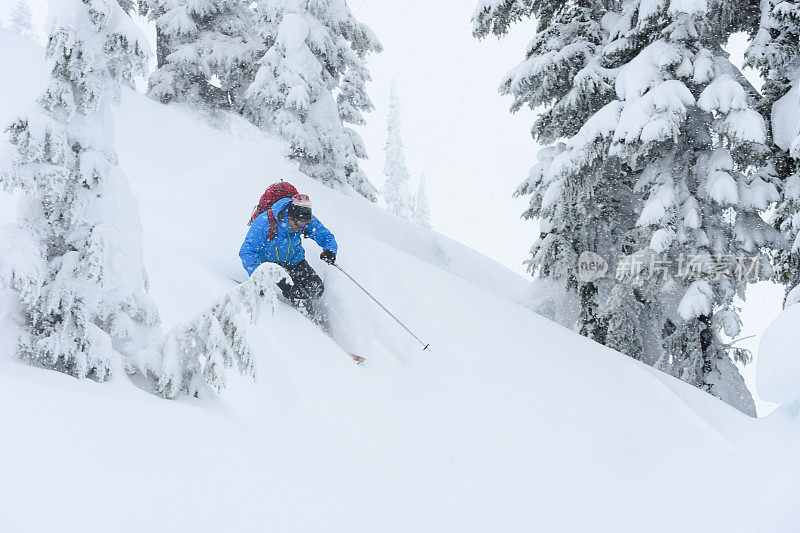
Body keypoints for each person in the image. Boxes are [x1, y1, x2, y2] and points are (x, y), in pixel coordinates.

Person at [239, 193, 337, 316]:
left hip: (296, 261)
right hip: (275, 267)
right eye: (300, 225)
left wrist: (330, 250)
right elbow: (247, 251)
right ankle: (310, 324)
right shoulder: (264, 222)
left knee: (317, 289)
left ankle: (321, 315)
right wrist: (259, 278)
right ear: (289, 217)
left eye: (306, 225)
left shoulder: (304, 219)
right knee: (300, 299)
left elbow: (325, 236)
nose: (303, 228)